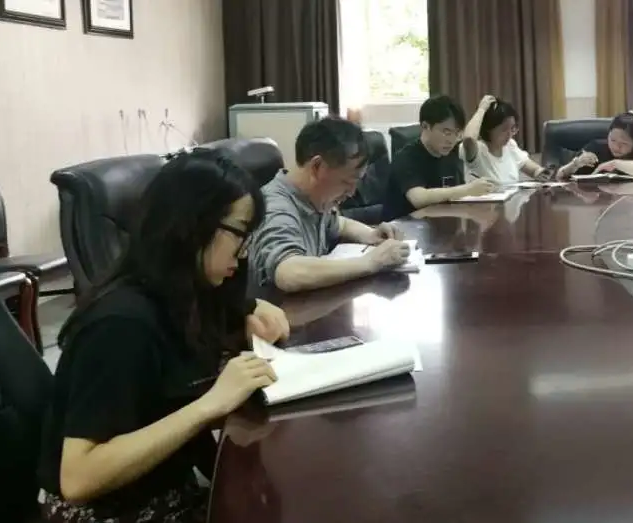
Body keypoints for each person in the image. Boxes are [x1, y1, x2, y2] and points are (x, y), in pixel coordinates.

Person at [38, 149, 290, 522]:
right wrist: (210, 405)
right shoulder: (120, 326)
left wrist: (253, 309)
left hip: (163, 487)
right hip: (106, 512)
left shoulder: (187, 295)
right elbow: (78, 478)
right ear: (190, 227)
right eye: (240, 233)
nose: (243, 253)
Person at [250, 117, 412, 293]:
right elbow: (289, 273)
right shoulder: (276, 207)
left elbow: (339, 224)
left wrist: (371, 235)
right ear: (317, 166)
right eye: (347, 182)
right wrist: (371, 262)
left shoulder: (314, 199)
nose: (351, 192)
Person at [381, 95, 496, 220]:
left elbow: (469, 137)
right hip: (406, 227)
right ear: (425, 126)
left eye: (457, 133)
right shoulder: (406, 157)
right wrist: (467, 189)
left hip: (441, 222)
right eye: (446, 132)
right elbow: (418, 198)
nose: (451, 140)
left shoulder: (451, 151)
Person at [460, 95, 552, 182]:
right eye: (504, 129)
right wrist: (482, 109)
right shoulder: (477, 150)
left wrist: (542, 172)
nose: (509, 134)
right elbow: (469, 138)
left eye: (512, 128)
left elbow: (533, 169)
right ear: (488, 129)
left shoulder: (510, 145)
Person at [555, 111, 633, 180]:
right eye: (613, 140)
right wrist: (576, 164)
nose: (616, 147)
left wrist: (614, 164)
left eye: (624, 143)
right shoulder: (596, 148)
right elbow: (560, 175)